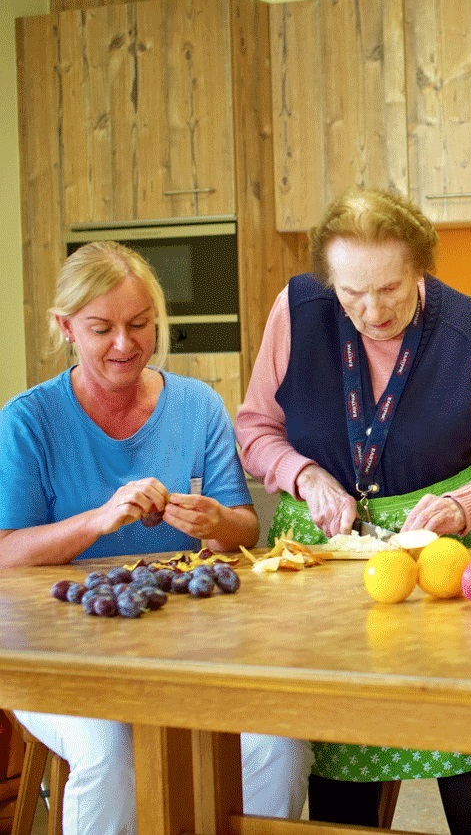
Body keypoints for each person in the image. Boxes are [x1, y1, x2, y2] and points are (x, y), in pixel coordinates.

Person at [235, 186, 471, 835]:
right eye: (352, 294)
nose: (372, 311)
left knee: (468, 742)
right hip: (325, 564)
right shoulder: (295, 313)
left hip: (441, 563)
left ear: (421, 270)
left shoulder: (470, 332)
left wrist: (463, 506)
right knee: (339, 740)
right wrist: (305, 474)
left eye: (391, 290)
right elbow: (257, 429)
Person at [0, 242, 312, 835]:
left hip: (185, 647)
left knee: (276, 737)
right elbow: (3, 553)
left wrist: (217, 522)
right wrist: (98, 520)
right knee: (111, 750)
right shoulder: (26, 421)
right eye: (102, 329)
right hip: (51, 653)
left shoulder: (196, 405)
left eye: (140, 324)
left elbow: (244, 529)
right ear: (65, 328)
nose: (125, 344)